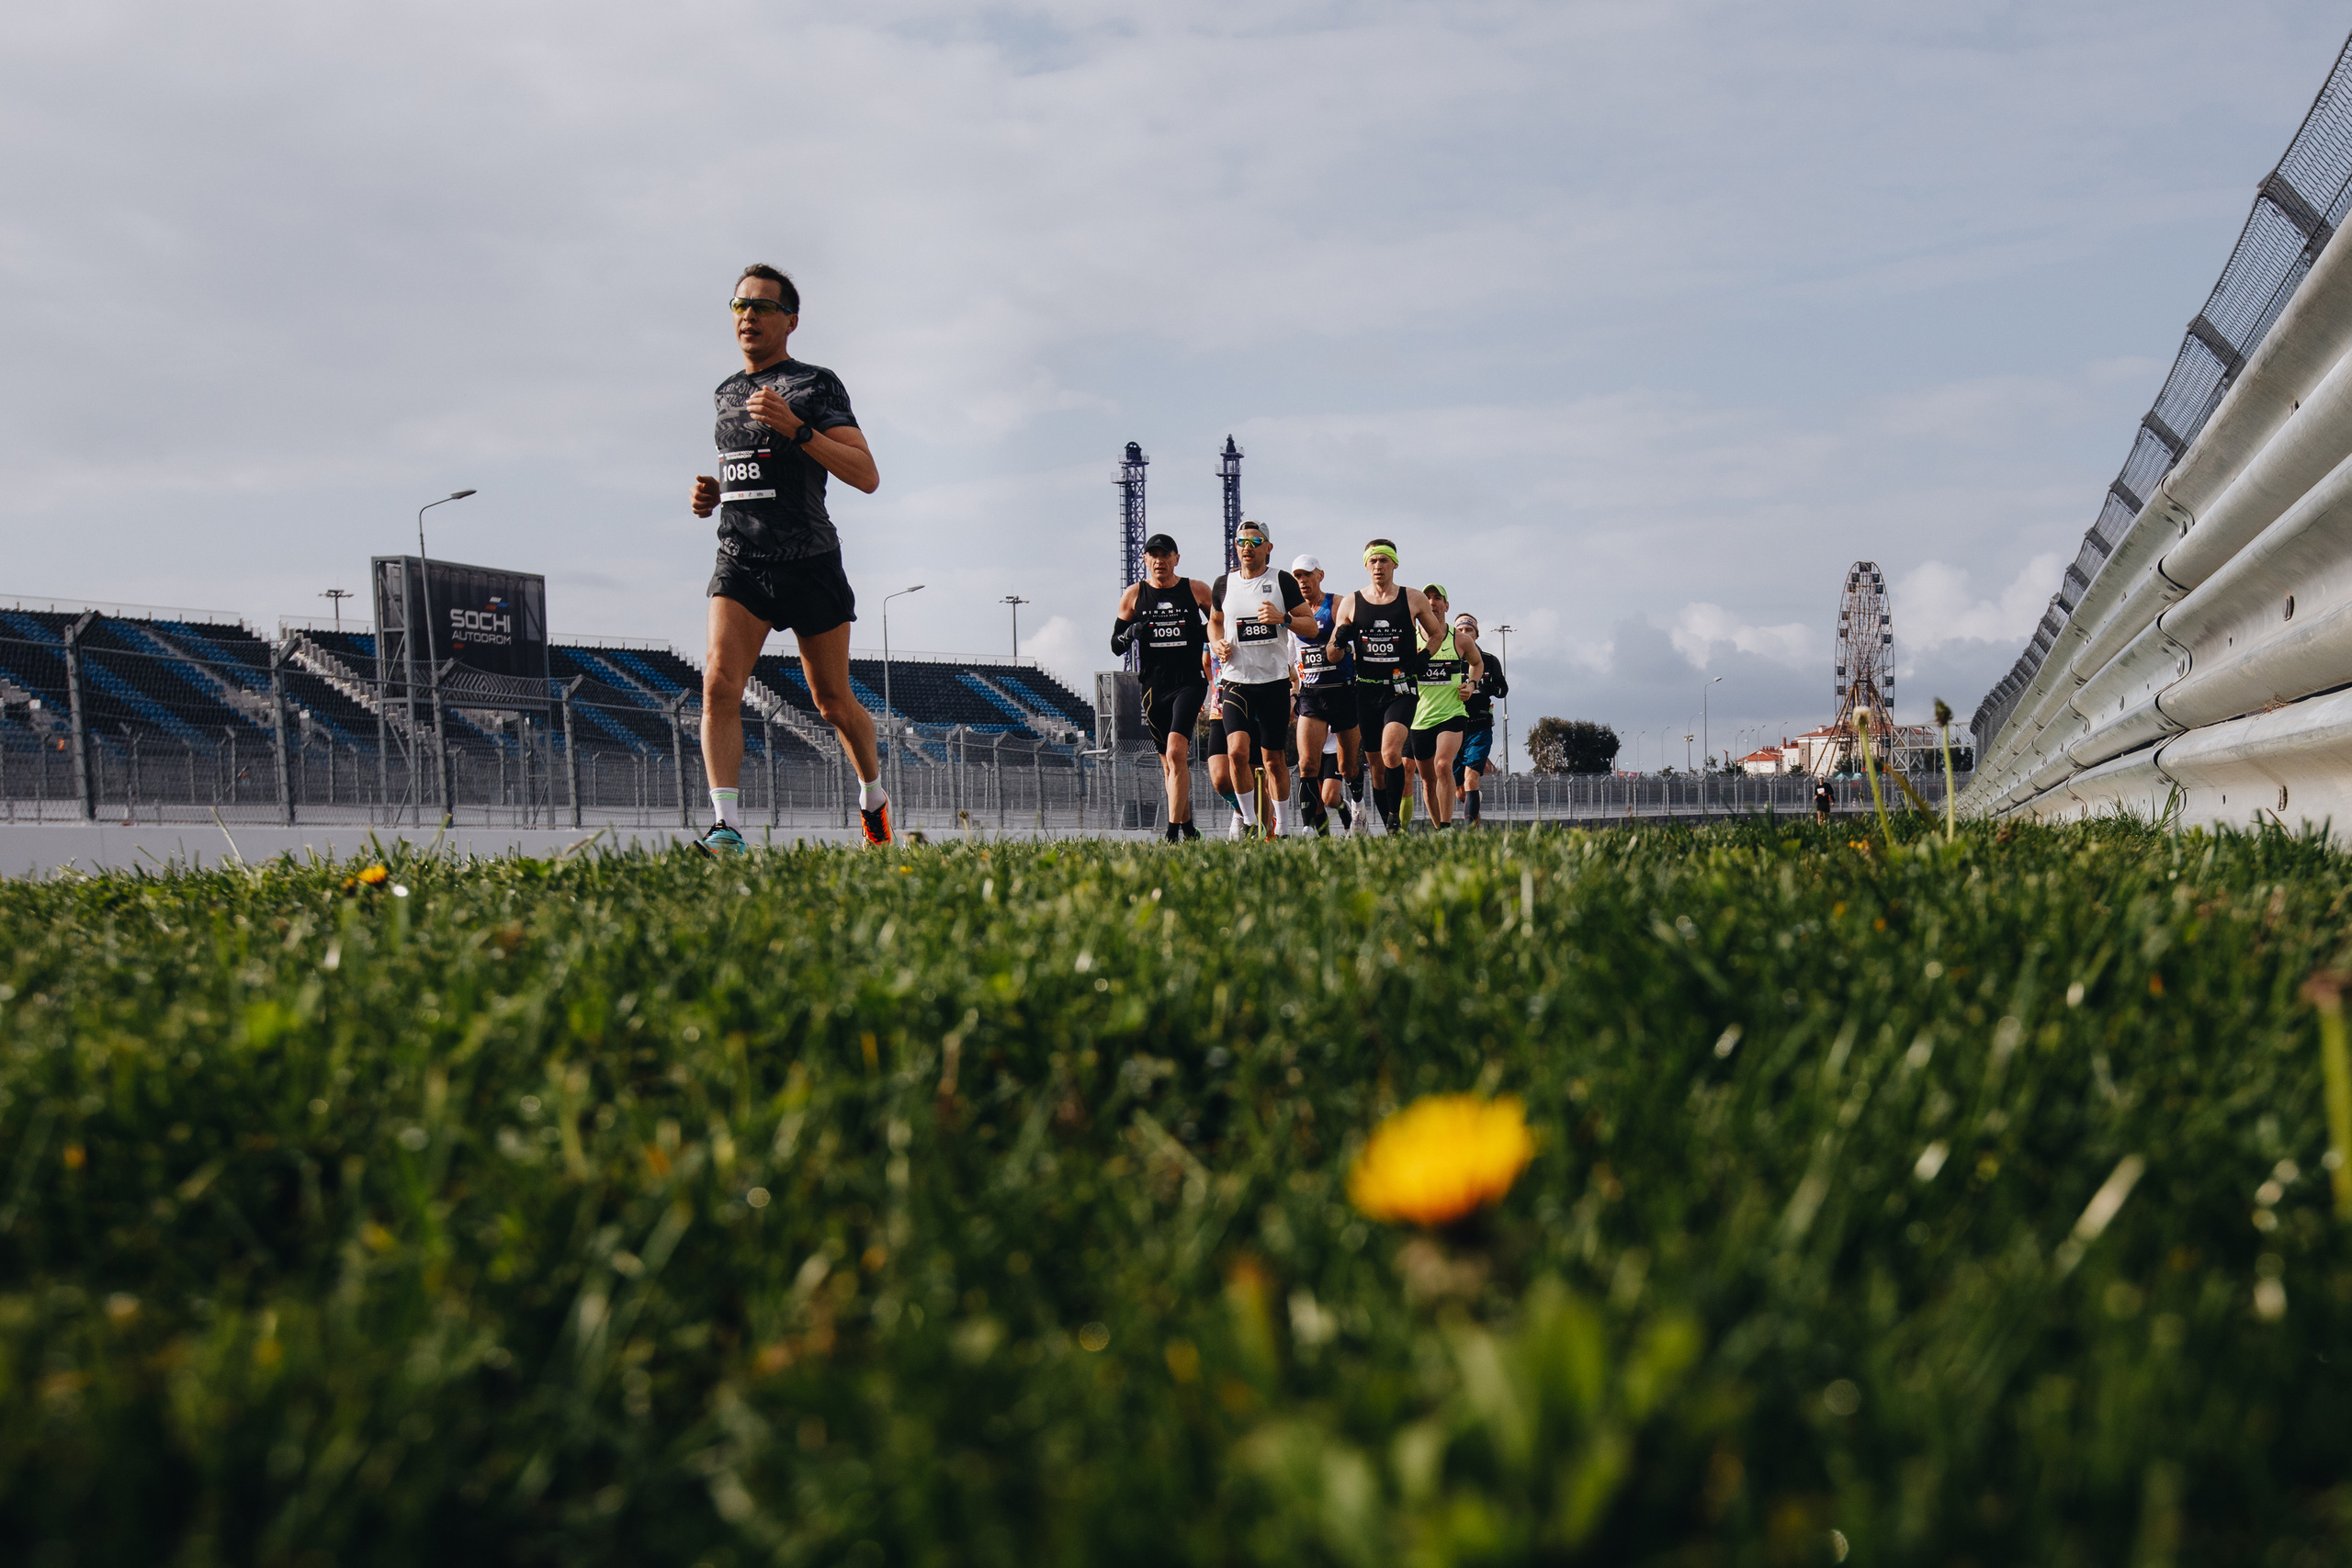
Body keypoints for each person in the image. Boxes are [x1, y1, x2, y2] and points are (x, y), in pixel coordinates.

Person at [690, 264, 888, 852]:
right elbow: (752, 478)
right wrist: (713, 494)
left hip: (809, 561)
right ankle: (726, 827)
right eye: (738, 305)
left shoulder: (815, 384)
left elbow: (866, 475)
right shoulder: (725, 392)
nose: (747, 315)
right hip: (740, 560)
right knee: (719, 684)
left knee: (831, 701)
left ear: (790, 320)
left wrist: (798, 429)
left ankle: (873, 798)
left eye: (762, 307)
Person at [1329, 540, 1449, 835]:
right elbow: (1332, 654)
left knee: (1391, 752)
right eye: (1373, 561)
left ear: (1395, 564)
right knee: (1377, 769)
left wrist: (1424, 657)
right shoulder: (1352, 602)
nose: (1378, 566)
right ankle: (1392, 829)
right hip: (1366, 691)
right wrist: (1340, 639)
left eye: (1384, 560)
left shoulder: (1413, 598)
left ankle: (1395, 814)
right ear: (1366, 565)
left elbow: (1437, 632)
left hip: (1401, 688)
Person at [1208, 521, 1319, 838]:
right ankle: (1250, 821)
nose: (1247, 547)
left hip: (1272, 682)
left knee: (1272, 760)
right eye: (1241, 541)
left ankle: (1282, 828)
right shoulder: (1224, 584)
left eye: (1255, 541)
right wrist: (1217, 643)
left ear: (1268, 547)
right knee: (1237, 753)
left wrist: (1282, 618)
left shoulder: (1281, 580)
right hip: (1235, 682)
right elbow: (1214, 622)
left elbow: (1311, 628)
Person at [1111, 533, 1212, 842]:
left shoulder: (1195, 590)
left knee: (1177, 751)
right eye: (1153, 555)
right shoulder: (1133, 595)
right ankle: (1188, 828)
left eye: (1165, 555)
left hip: (1189, 682)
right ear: (1145, 560)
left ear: (1176, 559)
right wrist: (1131, 633)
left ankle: (1170, 834)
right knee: (1169, 763)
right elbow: (1115, 645)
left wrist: (1202, 632)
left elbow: (1219, 626)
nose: (1159, 561)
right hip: (1154, 687)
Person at [1404, 586, 1485, 829]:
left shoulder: (1459, 639)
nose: (1432, 602)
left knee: (1442, 765)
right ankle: (1440, 830)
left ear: (1446, 606)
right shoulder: (1411, 640)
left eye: (1437, 598)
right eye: (1427, 598)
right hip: (1419, 718)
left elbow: (1477, 662)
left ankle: (1448, 827)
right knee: (1427, 781)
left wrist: (1471, 685)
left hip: (1452, 714)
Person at [1290, 554, 1358, 836]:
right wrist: (1294, 693)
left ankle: (1357, 810)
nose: (1303, 581)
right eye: (1298, 577)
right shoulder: (1292, 614)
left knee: (1349, 767)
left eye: (1307, 575)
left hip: (1341, 692)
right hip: (1311, 694)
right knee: (1306, 764)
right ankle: (1309, 829)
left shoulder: (1337, 604)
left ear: (1321, 575)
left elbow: (1355, 642)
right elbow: (1292, 661)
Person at [1451, 612, 1505, 825]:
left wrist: (1487, 687)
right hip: (1453, 728)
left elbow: (1503, 689)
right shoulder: (1450, 660)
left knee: (1471, 779)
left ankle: (1468, 834)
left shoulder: (1489, 661)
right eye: (1460, 630)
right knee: (1459, 792)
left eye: (1469, 630)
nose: (1465, 633)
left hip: (1479, 728)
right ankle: (1475, 818)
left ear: (1477, 634)